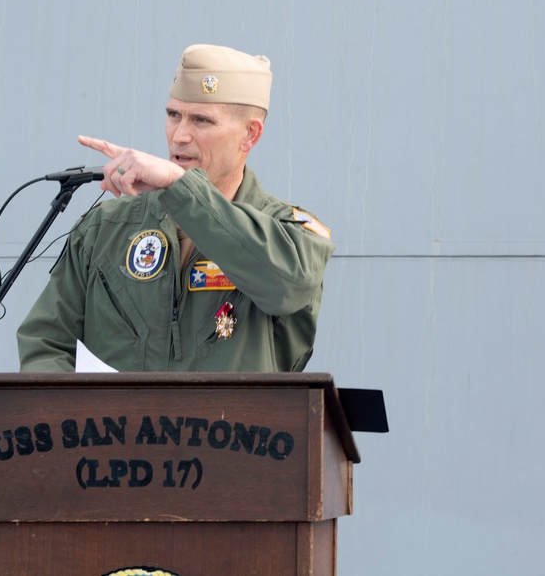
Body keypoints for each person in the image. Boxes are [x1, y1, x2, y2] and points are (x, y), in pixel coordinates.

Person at [17, 44, 335, 372]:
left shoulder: (293, 234)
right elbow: (46, 342)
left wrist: (177, 185)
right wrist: (73, 419)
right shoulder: (105, 228)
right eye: (173, 115)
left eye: (201, 120)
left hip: (233, 425)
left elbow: (285, 285)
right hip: (114, 425)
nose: (179, 135)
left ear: (249, 135)